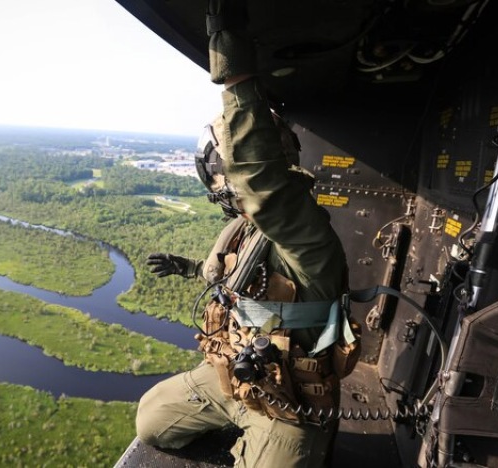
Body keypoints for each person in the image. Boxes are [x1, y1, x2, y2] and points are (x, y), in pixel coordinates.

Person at [136, 1, 356, 466]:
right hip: (229, 377)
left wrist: (232, 65)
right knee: (151, 420)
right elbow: (241, 286)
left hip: (289, 401)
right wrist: (193, 268)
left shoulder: (305, 238)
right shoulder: (245, 231)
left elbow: (264, 186)